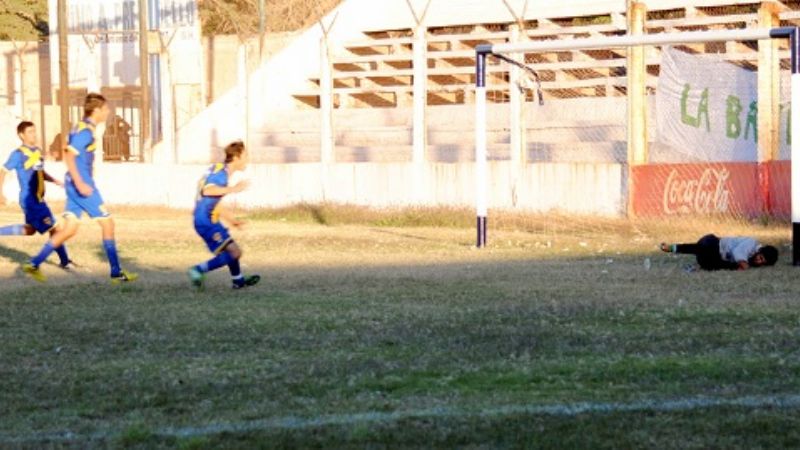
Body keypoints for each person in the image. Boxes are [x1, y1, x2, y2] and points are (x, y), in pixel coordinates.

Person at [24, 93, 138, 284]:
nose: (108, 112)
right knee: (108, 224)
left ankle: (34, 263)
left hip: (74, 183)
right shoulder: (85, 131)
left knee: (69, 230)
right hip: (82, 185)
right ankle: (116, 273)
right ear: (96, 110)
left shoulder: (83, 127)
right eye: (106, 109)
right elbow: (68, 155)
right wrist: (80, 182)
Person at [0, 121, 75, 269]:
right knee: (55, 229)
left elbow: (40, 173)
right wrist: (0, 193)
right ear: (21, 135)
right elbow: (2, 171)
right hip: (30, 200)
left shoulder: (37, 151)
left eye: (34, 131)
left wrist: (54, 180)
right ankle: (65, 261)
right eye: (30, 132)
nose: (33, 134)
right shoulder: (18, 154)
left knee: (30, 230)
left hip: (38, 199)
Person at [188, 141, 260, 290]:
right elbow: (208, 191)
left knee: (232, 249)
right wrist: (234, 189)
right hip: (205, 221)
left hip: (208, 219)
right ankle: (198, 270)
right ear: (236, 157)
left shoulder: (219, 170)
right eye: (245, 156)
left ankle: (238, 281)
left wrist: (232, 220)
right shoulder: (221, 175)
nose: (247, 159)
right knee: (235, 252)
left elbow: (214, 202)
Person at [660, 234, 779, 271]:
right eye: (760, 257)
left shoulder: (753, 259)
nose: (758, 260)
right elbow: (737, 253)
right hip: (713, 243)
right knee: (701, 249)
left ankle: (696, 267)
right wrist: (744, 266)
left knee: (717, 264)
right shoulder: (751, 244)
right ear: (759, 251)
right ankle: (672, 248)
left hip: (712, 257)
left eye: (762, 262)